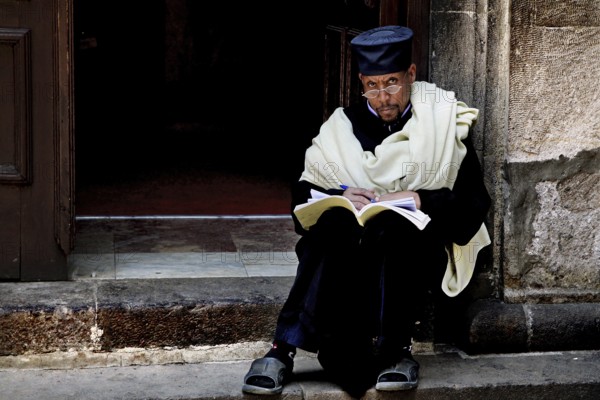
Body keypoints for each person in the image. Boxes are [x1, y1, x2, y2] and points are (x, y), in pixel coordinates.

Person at [241, 25, 491, 398]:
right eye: (372, 86)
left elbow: (474, 206)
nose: (383, 97)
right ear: (361, 82)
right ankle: (281, 350)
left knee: (394, 227)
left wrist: (422, 199)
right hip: (348, 248)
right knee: (332, 223)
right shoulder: (343, 126)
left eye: (391, 83)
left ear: (410, 75)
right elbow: (301, 200)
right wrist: (341, 192)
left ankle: (396, 351)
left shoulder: (440, 120)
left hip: (412, 250)